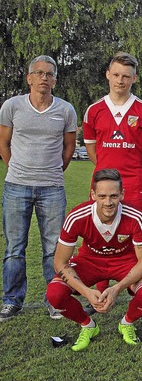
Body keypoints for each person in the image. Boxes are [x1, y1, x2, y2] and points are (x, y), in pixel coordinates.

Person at [0, 55, 77, 321]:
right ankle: (11, 300)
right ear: (29, 78)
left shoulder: (65, 110)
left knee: (54, 248)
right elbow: (4, 144)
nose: (44, 78)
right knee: (14, 248)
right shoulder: (12, 106)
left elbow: (68, 149)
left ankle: (54, 299)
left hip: (52, 188)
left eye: (49, 74)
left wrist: (52, 171)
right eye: (39, 73)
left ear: (55, 79)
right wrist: (17, 170)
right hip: (16, 187)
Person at [45, 169, 142, 351]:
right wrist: (87, 293)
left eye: (114, 196)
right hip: (90, 261)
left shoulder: (136, 216)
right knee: (54, 293)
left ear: (122, 194)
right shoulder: (77, 216)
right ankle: (88, 325)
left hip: (124, 261)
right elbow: (60, 263)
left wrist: (116, 289)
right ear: (93, 195)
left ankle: (126, 323)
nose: (108, 202)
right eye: (102, 196)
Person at [83, 51, 142, 224]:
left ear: (134, 79)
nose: (120, 80)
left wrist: (136, 170)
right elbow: (91, 149)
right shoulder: (94, 110)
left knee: (137, 233)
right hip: (102, 184)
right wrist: (106, 170)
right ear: (108, 75)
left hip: (134, 184)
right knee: (100, 230)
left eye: (126, 76)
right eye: (116, 75)